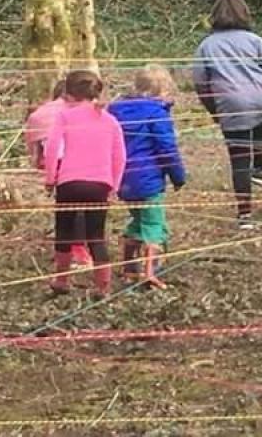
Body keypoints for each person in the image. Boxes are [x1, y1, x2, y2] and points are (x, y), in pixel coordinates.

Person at [192, 0, 262, 230]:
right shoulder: (255, 41)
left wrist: (215, 111)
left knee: (238, 160)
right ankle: (258, 170)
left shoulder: (206, 45)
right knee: (261, 130)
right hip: (260, 100)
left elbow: (200, 83)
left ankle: (245, 215)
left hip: (229, 105)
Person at [43, 70, 125, 296]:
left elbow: (51, 149)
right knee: (96, 235)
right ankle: (103, 287)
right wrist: (114, 186)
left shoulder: (64, 117)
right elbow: (120, 157)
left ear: (68, 94)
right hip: (99, 185)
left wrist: (50, 178)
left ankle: (61, 280)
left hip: (69, 183)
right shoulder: (110, 121)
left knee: (64, 232)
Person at [107, 65, 187, 289]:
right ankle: (150, 272)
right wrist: (177, 175)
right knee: (154, 224)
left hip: (122, 177)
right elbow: (166, 147)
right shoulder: (157, 113)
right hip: (148, 180)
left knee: (138, 219)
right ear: (163, 88)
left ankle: (128, 266)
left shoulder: (115, 110)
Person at [25, 80, 92, 268]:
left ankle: (68, 252)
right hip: (81, 163)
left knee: (67, 208)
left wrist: (44, 169)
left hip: (58, 164)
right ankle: (79, 251)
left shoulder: (40, 114)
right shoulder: (85, 111)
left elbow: (33, 144)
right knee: (80, 208)